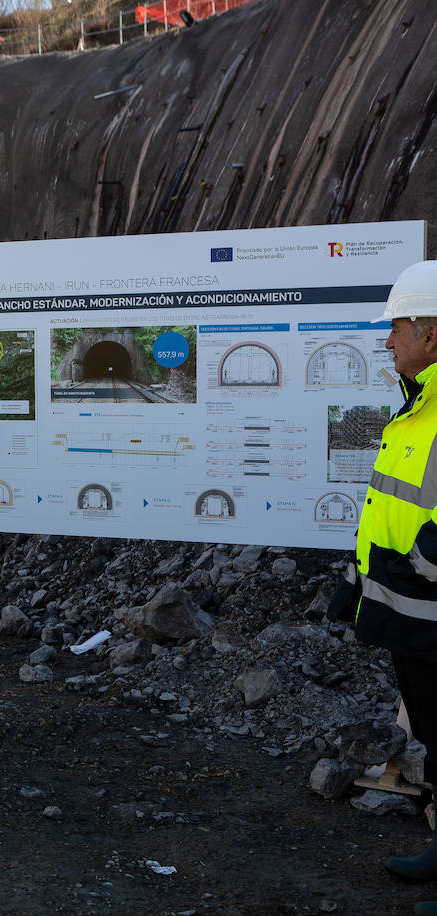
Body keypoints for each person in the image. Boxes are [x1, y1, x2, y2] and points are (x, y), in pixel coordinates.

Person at [337, 261, 437, 914]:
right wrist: (361, 584)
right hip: (411, 615)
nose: (389, 342)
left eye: (396, 328)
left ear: (431, 333)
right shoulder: (414, 410)